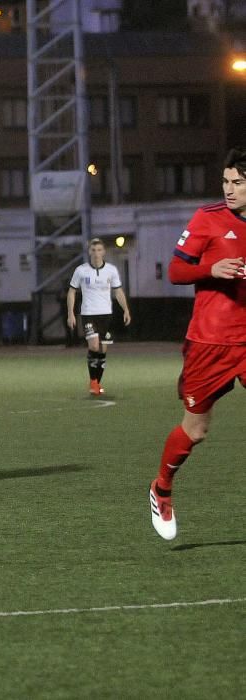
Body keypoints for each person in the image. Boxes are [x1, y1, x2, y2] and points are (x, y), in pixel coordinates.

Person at [148, 148, 246, 541]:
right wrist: (211, 269)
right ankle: (162, 488)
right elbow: (174, 271)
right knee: (197, 429)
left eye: (237, 182)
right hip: (210, 343)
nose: (229, 189)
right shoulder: (208, 219)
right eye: (225, 181)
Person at [66, 238, 132, 395]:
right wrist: (71, 313)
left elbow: (118, 291)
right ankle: (93, 382)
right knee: (94, 346)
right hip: (88, 313)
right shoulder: (81, 270)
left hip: (106, 315)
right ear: (89, 252)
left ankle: (97, 383)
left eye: (99, 250)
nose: (96, 253)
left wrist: (126, 310)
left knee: (103, 350)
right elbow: (71, 291)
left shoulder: (111, 270)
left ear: (103, 252)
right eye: (93, 250)